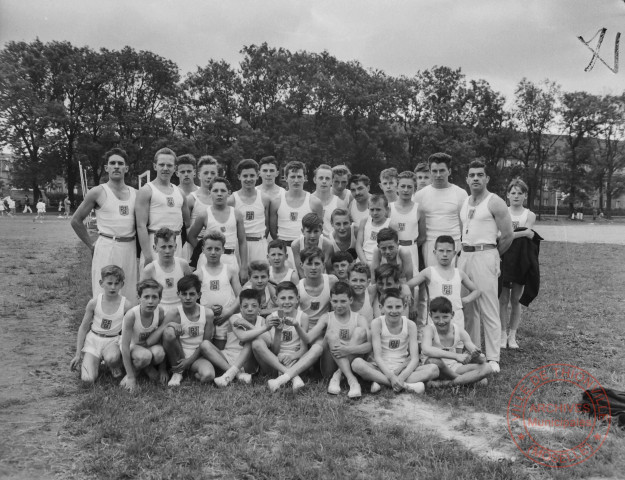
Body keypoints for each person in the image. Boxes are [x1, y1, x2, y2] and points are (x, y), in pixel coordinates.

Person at [458, 159, 513, 374]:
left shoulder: (495, 201)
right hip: (465, 254)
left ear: (487, 178)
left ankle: (493, 357)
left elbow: (508, 236)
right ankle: (474, 351)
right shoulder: (465, 202)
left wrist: (492, 256)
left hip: (486, 254)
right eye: (471, 175)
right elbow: (465, 230)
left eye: (480, 175)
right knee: (467, 307)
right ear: (466, 179)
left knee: (488, 306)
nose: (475, 179)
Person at [71, 148, 138, 301]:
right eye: (112, 163)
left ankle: (126, 324)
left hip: (129, 247)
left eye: (120, 163)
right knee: (105, 293)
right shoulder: (97, 192)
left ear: (126, 168)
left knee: (128, 291)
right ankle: (100, 323)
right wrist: (91, 245)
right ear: (106, 168)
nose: (116, 166)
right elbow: (76, 220)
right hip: (107, 245)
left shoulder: (136, 194)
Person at [351, 288, 439, 394]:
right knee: (357, 364)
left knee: (434, 369)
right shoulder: (377, 323)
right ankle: (406, 386)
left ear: (404, 306)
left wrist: (401, 377)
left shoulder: (410, 325)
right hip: (380, 368)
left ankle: (381, 382)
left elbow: (415, 359)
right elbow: (378, 357)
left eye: (398, 307)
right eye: (389, 307)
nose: (394, 311)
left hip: (402, 368)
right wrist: (392, 377)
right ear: (381, 308)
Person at [296, 282, 371, 398]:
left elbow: (369, 346)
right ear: (330, 300)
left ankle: (340, 375)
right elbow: (308, 338)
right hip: (329, 367)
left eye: (343, 301)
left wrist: (348, 349)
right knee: (331, 334)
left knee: (360, 332)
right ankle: (349, 379)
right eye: (335, 301)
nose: (339, 305)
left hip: (350, 364)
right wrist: (297, 326)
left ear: (350, 300)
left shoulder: (359, 319)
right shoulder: (327, 317)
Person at [70, 265, 132, 384]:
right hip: (94, 340)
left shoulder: (126, 305)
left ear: (122, 285)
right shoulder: (94, 303)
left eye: (117, 283)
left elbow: (130, 330)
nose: (113, 287)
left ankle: (114, 364)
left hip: (112, 340)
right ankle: (92, 360)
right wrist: (78, 354)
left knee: (112, 358)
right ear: (101, 283)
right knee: (88, 379)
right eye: (109, 283)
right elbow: (83, 328)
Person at [406, 235, 481, 334]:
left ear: (454, 253)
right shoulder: (429, 272)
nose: (445, 254)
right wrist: (406, 290)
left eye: (448, 251)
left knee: (457, 346)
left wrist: (466, 299)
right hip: (436, 319)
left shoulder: (460, 273)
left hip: (456, 318)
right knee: (435, 345)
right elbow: (407, 285)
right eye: (441, 251)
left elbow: (477, 291)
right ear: (434, 252)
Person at [201, 289, 272, 387]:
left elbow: (269, 342)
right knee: (205, 344)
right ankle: (236, 375)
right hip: (227, 357)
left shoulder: (262, 321)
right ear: (241, 308)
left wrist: (247, 324)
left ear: (259, 308)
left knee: (252, 340)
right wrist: (260, 329)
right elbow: (242, 336)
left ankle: (230, 374)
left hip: (248, 362)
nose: (250, 309)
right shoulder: (234, 318)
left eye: (254, 306)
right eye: (245, 306)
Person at [156, 275, 216, 386]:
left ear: (199, 295)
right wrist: (162, 369)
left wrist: (189, 361)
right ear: (178, 294)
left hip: (198, 355)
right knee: (168, 332)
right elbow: (162, 340)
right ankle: (177, 372)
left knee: (209, 375)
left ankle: (189, 370)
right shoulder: (174, 313)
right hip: (178, 354)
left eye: (192, 294)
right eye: (184, 294)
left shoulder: (207, 314)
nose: (187, 298)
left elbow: (206, 343)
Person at [136, 147, 190, 268]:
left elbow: (187, 224)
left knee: (176, 284)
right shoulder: (146, 190)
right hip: (154, 244)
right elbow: (140, 225)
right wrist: (148, 255)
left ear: (174, 168)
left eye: (169, 165)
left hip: (176, 245)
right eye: (161, 165)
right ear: (155, 166)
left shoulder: (180, 193)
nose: (165, 168)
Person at [251, 281, 310, 392]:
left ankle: (289, 374)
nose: (287, 302)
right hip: (276, 361)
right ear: (276, 299)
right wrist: (278, 332)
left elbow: (304, 349)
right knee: (256, 343)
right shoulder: (271, 318)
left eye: (290, 298)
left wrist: (292, 357)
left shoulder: (303, 317)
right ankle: (293, 376)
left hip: (295, 360)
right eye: (283, 298)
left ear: (297, 298)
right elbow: (273, 351)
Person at [499, 179, 537, 349]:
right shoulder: (502, 212)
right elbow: (500, 236)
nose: (516, 196)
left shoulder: (529, 214)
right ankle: (502, 334)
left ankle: (512, 336)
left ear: (525, 196)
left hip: (520, 260)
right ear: (507, 195)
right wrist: (518, 233)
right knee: (502, 299)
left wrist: (509, 234)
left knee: (515, 299)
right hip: (504, 258)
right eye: (513, 193)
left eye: (519, 193)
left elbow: (529, 233)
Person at [421, 297, 491, 388]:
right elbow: (426, 350)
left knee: (487, 368)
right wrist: (456, 356)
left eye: (445, 317)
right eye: (437, 317)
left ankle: (446, 384)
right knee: (434, 361)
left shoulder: (459, 331)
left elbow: (480, 358)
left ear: (452, 315)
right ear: (431, 316)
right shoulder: (429, 329)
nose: (441, 321)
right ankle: (464, 380)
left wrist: (477, 356)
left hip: (455, 368)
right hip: (435, 368)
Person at [414, 153, 468, 269]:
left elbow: (464, 224)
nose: (438, 175)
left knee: (454, 282)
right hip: (431, 246)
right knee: (433, 282)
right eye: (434, 171)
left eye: (442, 171)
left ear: (449, 171)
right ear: (430, 171)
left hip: (455, 244)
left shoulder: (461, 193)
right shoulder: (420, 195)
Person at [188, 177, 248, 277]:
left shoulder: (236, 214)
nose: (219, 194)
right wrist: (205, 250)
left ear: (229, 193)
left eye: (223, 190)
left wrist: (244, 267)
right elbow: (191, 236)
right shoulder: (204, 214)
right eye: (215, 190)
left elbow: (242, 241)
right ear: (210, 192)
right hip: (209, 260)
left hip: (229, 258)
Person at [268, 161, 323, 269]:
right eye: (292, 176)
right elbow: (273, 232)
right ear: (286, 178)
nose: (296, 180)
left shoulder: (314, 202)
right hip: (284, 251)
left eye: (299, 176)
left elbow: (319, 229)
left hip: (307, 251)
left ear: (305, 178)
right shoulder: (276, 202)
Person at [119, 279, 168, 391]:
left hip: (148, 346)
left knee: (159, 353)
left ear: (160, 299)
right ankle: (133, 372)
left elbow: (161, 339)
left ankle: (146, 367)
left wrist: (162, 369)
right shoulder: (131, 315)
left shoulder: (159, 312)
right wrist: (131, 377)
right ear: (139, 298)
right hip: (132, 346)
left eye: (154, 297)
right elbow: (124, 346)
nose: (150, 301)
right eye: (146, 297)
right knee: (145, 356)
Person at [196, 231, 242, 350]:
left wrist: (229, 312)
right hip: (206, 318)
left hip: (225, 317)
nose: (213, 252)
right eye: (209, 248)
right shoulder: (198, 274)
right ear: (203, 249)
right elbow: (191, 300)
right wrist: (207, 311)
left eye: (217, 249)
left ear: (223, 250)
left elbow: (241, 295)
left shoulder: (230, 270)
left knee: (221, 349)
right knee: (206, 347)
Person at [141, 228, 193, 316]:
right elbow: (143, 297)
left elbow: (192, 290)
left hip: (182, 310)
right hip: (158, 312)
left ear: (176, 247)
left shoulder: (183, 265)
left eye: (170, 246)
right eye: (163, 247)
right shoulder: (149, 270)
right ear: (155, 248)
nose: (167, 251)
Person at [229, 159, 271, 264]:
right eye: (245, 176)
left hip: (259, 245)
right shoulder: (232, 200)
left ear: (257, 175)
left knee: (261, 277)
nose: (249, 179)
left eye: (252, 175)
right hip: (239, 245)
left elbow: (267, 225)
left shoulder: (265, 198)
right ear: (239, 177)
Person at [185, 155, 219, 264]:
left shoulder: (222, 199)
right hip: (195, 248)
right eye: (206, 173)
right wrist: (202, 250)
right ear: (199, 175)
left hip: (216, 249)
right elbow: (186, 230)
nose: (209, 176)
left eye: (213, 173)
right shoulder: (191, 199)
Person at [389, 171, 422, 276]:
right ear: (397, 187)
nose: (406, 190)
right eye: (402, 186)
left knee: (412, 282)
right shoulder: (389, 208)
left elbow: (422, 236)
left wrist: (410, 245)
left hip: (412, 249)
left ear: (414, 189)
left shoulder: (419, 209)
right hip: (392, 251)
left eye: (409, 187)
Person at [290, 213, 334, 280]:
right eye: (309, 232)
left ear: (321, 231)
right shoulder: (296, 245)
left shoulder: (328, 245)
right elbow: (300, 269)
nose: (312, 236)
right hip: (303, 279)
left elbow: (323, 268)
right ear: (303, 231)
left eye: (316, 231)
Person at [312, 164, 346, 237]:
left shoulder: (339, 203)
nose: (324, 181)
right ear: (315, 180)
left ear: (332, 181)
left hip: (332, 245)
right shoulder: (308, 200)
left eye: (327, 178)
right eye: (321, 178)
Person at [356, 194, 390, 265]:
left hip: (381, 262)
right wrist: (364, 262)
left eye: (378, 209)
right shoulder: (364, 221)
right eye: (372, 209)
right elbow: (358, 245)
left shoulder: (390, 224)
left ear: (386, 209)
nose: (375, 213)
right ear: (368, 209)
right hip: (363, 259)